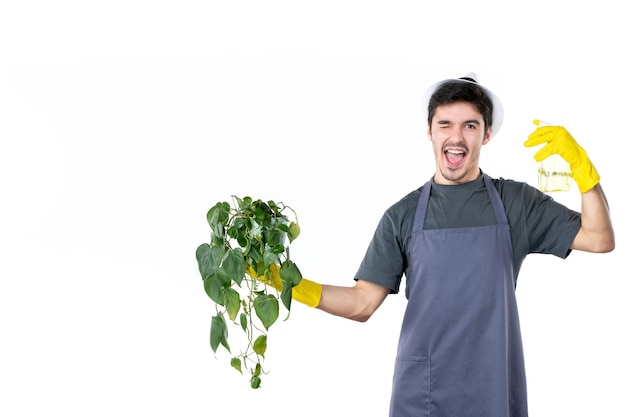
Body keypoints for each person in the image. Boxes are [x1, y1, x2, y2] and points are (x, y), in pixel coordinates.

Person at [263, 73, 615, 417]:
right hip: (423, 390)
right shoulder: (402, 215)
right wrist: (293, 286)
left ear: (487, 134)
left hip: (493, 384)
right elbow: (361, 303)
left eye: (470, 126)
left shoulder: (515, 202)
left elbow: (599, 238)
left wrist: (582, 168)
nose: (456, 137)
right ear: (429, 131)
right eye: (445, 124)